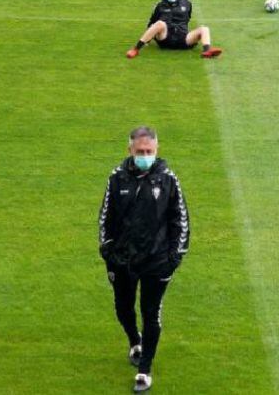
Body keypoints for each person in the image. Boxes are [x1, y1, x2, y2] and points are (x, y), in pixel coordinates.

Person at [98, 126, 190, 392]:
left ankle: (144, 369)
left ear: (157, 150)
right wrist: (108, 250)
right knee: (123, 308)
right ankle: (134, 340)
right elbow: (105, 217)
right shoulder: (117, 178)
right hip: (123, 260)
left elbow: (181, 220)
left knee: (151, 313)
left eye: (149, 151)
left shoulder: (168, 180)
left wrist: (174, 257)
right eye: (140, 151)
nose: (145, 156)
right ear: (130, 150)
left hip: (156, 261)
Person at [126, 0, 222, 59]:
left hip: (183, 39)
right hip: (165, 38)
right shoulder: (160, 5)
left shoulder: (187, 3)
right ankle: (136, 49)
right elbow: (152, 21)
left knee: (204, 29)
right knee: (160, 23)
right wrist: (148, 40)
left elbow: (187, 18)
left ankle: (207, 51)